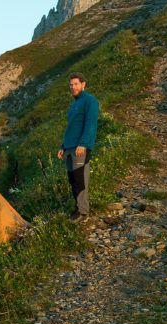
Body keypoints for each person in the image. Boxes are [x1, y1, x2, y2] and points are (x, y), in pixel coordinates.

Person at [57, 72, 99, 222]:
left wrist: (83, 143)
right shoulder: (74, 104)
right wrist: (63, 146)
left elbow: (91, 123)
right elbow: (71, 127)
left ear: (83, 84)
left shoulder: (90, 101)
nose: (73, 87)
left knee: (80, 179)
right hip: (69, 147)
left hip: (80, 148)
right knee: (72, 179)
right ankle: (77, 208)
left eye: (75, 84)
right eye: (71, 85)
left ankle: (83, 212)